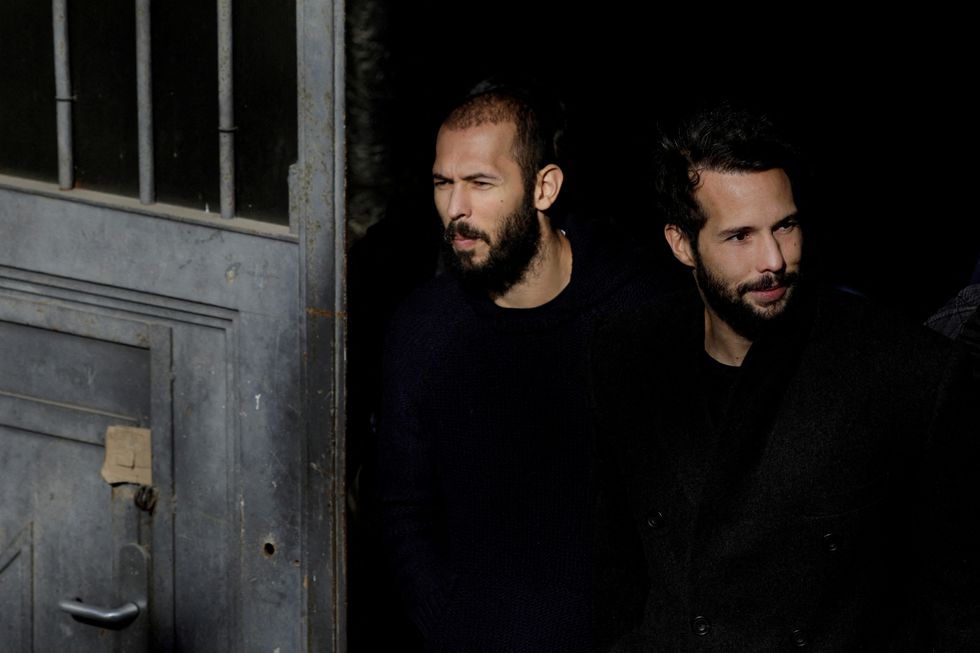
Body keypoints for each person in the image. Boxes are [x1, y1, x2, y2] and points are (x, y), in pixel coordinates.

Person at [589, 100, 980, 651]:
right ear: (681, 244)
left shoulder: (907, 373)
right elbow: (613, 573)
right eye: (739, 236)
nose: (772, 259)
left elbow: (958, 603)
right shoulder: (626, 359)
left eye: (785, 226)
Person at [374, 75, 672, 652]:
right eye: (443, 184)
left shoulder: (641, 308)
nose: (456, 210)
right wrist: (450, 627)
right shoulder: (424, 329)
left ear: (544, 187)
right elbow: (403, 507)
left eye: (481, 183)